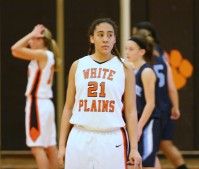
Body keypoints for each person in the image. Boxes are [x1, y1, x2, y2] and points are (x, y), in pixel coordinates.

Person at [57, 18, 142, 169]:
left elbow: (130, 111)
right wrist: (62, 145)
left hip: (112, 137)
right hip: (79, 136)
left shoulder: (125, 68)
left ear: (115, 39)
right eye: (100, 35)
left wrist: (134, 148)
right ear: (92, 38)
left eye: (110, 35)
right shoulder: (78, 66)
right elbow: (68, 108)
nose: (105, 39)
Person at [132, 21, 188, 169]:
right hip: (164, 107)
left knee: (150, 152)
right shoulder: (161, 55)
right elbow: (171, 87)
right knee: (161, 147)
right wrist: (175, 106)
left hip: (148, 110)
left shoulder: (142, 63)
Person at [11, 24, 60, 169]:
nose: (30, 41)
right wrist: (32, 35)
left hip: (37, 105)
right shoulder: (45, 55)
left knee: (37, 148)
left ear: (40, 39)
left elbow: (14, 49)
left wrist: (31, 34)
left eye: (33, 39)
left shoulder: (42, 54)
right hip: (45, 105)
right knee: (50, 147)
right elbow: (16, 51)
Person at [125, 33, 160, 169]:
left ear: (142, 52)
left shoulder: (146, 72)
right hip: (134, 121)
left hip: (147, 122)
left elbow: (151, 103)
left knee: (146, 162)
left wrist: (139, 126)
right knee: (135, 162)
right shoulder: (128, 70)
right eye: (126, 48)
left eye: (131, 49)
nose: (127, 52)